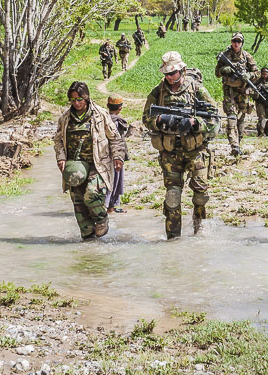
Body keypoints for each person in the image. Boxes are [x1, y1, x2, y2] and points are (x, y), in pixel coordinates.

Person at [142, 51, 219, 239]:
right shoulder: (158, 92)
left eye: (172, 73)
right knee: (173, 196)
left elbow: (215, 120)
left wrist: (194, 123)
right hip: (170, 153)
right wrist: (159, 120)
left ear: (182, 70)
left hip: (195, 151)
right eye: (166, 73)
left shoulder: (197, 90)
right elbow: (146, 117)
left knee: (201, 193)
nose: (169, 77)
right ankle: (173, 238)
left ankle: (199, 228)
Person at [53, 82, 126, 240]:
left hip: (98, 164)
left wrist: (118, 156)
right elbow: (58, 140)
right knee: (79, 204)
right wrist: (61, 158)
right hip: (75, 166)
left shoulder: (100, 115)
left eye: (79, 99)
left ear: (86, 98)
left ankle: (102, 219)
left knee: (92, 195)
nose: (77, 103)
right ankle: (89, 243)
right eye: (73, 100)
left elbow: (115, 138)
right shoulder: (65, 118)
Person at [214, 32, 259, 156]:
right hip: (229, 91)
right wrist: (224, 70)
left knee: (241, 117)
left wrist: (249, 75)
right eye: (234, 41)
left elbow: (257, 73)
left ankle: (238, 142)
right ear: (231, 42)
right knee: (231, 117)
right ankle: (234, 146)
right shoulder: (225, 56)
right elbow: (217, 73)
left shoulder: (247, 56)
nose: (236, 43)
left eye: (238, 41)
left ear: (242, 43)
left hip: (243, 91)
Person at [106, 95, 133, 216]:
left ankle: (107, 207)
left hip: (106, 156)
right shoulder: (117, 122)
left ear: (107, 106)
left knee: (109, 181)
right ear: (120, 108)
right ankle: (110, 208)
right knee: (115, 181)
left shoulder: (105, 120)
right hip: (117, 157)